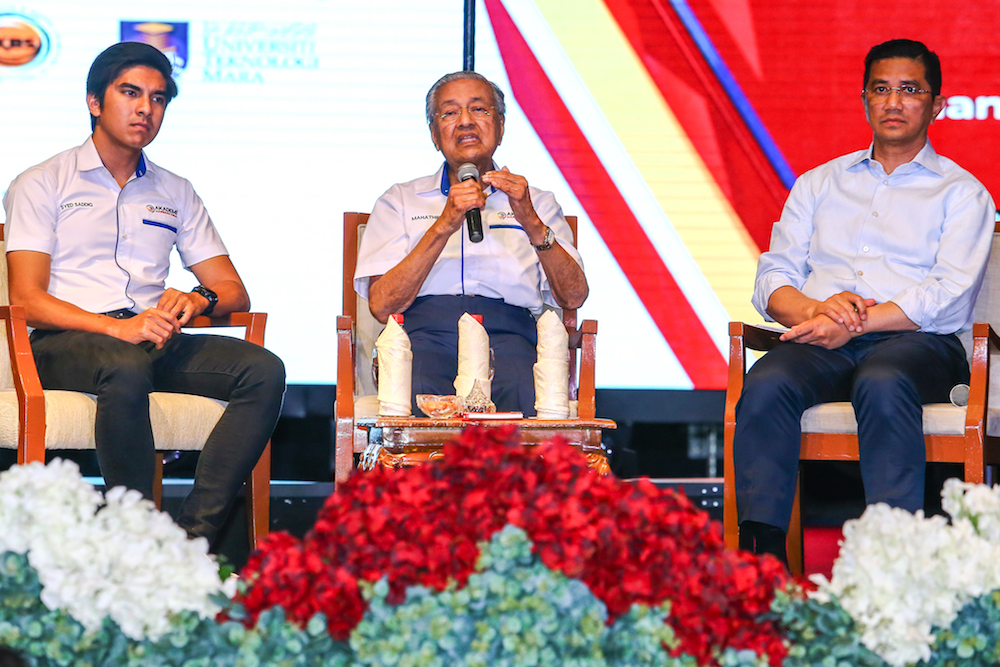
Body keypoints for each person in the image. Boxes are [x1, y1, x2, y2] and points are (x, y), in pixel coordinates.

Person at [2, 42, 285, 545]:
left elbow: (232, 289)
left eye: (157, 99)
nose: (144, 109)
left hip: (150, 336)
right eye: (130, 93)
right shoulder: (41, 182)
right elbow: (27, 298)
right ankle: (135, 539)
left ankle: (189, 540)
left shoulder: (174, 190)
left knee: (263, 370)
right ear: (94, 101)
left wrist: (196, 299)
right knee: (123, 362)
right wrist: (117, 328)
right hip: (66, 341)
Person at [734, 39, 995, 565]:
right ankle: (760, 561)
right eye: (881, 89)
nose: (894, 102)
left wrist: (852, 324)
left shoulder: (962, 193)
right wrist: (815, 311)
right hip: (823, 337)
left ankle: (892, 561)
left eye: (909, 90)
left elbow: (945, 296)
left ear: (937, 104)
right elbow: (774, 277)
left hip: (918, 343)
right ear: (864, 100)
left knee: (883, 381)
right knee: (765, 383)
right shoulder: (817, 184)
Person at [354, 71, 588, 415]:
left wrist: (532, 221)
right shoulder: (401, 200)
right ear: (435, 134)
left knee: (526, 394)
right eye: (449, 113)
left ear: (501, 125)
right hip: (425, 335)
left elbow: (574, 296)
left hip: (510, 336)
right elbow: (382, 304)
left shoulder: (536, 201)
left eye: (479, 110)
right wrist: (444, 224)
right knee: (414, 392)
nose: (465, 122)